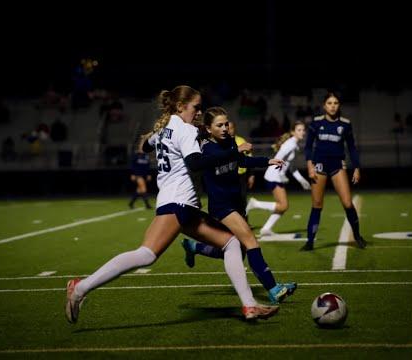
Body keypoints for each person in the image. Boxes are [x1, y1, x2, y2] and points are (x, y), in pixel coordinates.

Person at [65, 85, 279, 324]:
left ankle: (249, 305)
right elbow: (197, 163)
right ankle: (80, 288)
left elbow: (144, 146)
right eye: (196, 107)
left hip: (183, 205)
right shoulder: (185, 130)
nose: (199, 112)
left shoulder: (167, 128)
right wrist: (235, 152)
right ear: (180, 106)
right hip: (177, 202)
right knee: (146, 255)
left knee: (231, 244)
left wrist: (159, 136)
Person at [181, 107, 297, 305]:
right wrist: (235, 150)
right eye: (219, 125)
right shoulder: (206, 147)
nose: (225, 128)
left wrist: (267, 161)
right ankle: (273, 288)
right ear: (208, 129)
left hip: (237, 203)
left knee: (238, 249)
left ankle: (195, 247)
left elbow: (242, 160)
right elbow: (216, 159)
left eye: (226, 124)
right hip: (222, 206)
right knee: (251, 241)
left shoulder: (229, 143)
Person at [301, 92, 366, 251]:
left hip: (337, 165)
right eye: (329, 103)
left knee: (347, 203)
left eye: (336, 103)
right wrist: (310, 166)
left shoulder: (345, 124)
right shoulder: (316, 123)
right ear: (324, 105)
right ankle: (310, 241)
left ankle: (357, 236)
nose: (332, 106)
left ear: (339, 105)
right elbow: (308, 147)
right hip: (319, 166)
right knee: (317, 204)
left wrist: (356, 168)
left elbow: (351, 148)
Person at [245, 121, 311, 236]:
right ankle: (255, 204)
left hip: (276, 177)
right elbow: (278, 158)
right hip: (273, 176)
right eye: (299, 130)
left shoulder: (294, 145)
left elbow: (292, 168)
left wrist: (302, 180)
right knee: (283, 205)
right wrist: (281, 175)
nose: (302, 132)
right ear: (292, 132)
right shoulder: (290, 144)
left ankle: (266, 229)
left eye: (303, 130)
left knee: (283, 206)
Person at [228, 121, 255, 218]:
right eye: (228, 127)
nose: (229, 130)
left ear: (234, 129)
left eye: (231, 128)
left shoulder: (241, 141)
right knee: (229, 200)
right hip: (228, 175)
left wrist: (251, 175)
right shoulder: (221, 142)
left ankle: (245, 221)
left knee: (242, 199)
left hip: (241, 176)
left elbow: (249, 158)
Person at [129, 137, 152, 209]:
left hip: (144, 175)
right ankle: (147, 204)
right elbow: (132, 165)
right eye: (141, 146)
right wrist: (132, 174)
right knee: (143, 188)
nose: (142, 148)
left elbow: (148, 166)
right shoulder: (136, 155)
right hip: (137, 175)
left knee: (139, 190)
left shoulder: (146, 156)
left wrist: (148, 174)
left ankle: (131, 203)